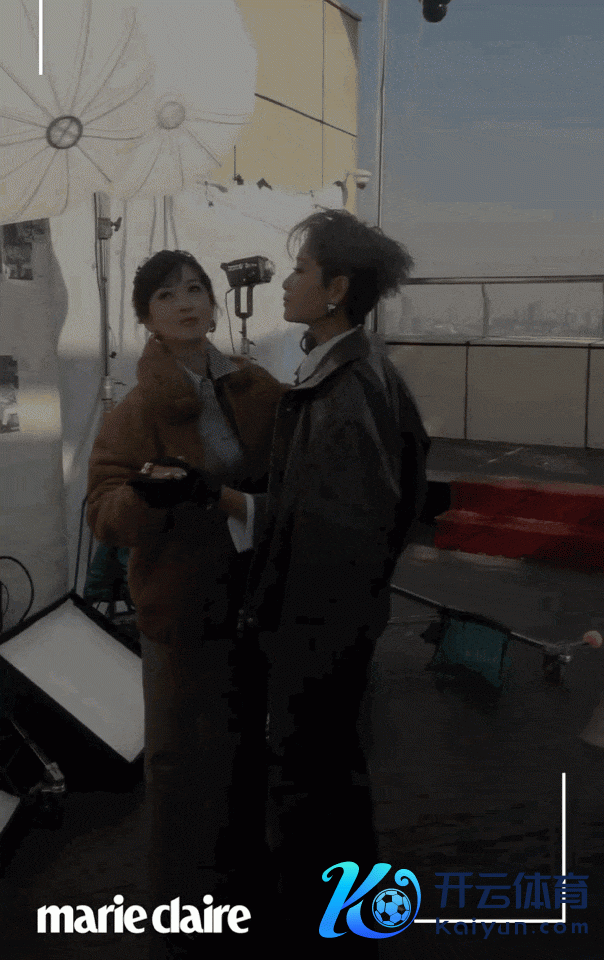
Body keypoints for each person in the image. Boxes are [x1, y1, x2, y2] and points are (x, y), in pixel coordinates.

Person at [220, 209, 430, 938]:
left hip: (318, 629)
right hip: (330, 626)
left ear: (336, 289)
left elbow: (343, 532)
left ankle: (321, 926)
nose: (286, 282)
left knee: (314, 783)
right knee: (331, 776)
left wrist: (286, 631)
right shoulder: (343, 374)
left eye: (301, 270)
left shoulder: (346, 391)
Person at [86, 250, 283, 951]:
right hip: (179, 608)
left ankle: (244, 890)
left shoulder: (257, 386)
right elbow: (102, 510)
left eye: (196, 289)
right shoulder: (138, 407)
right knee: (178, 763)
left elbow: (292, 475)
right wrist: (146, 497)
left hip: (256, 600)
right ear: (147, 317)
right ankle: (180, 908)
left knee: (248, 752)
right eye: (167, 296)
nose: (186, 303)